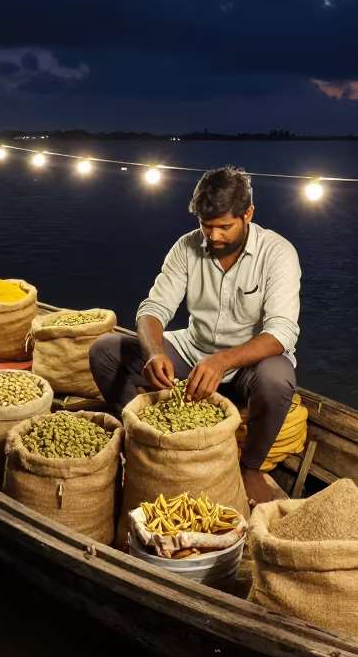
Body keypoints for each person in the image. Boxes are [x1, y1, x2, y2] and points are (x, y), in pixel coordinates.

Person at [89, 165, 301, 505]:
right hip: (193, 351)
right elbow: (152, 310)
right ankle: (143, 440)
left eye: (224, 227)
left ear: (249, 214)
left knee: (278, 377)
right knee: (105, 350)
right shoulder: (186, 248)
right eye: (207, 226)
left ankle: (249, 468)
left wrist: (222, 361)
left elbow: (281, 332)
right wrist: (156, 352)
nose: (214, 236)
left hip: (249, 366)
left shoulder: (277, 254)